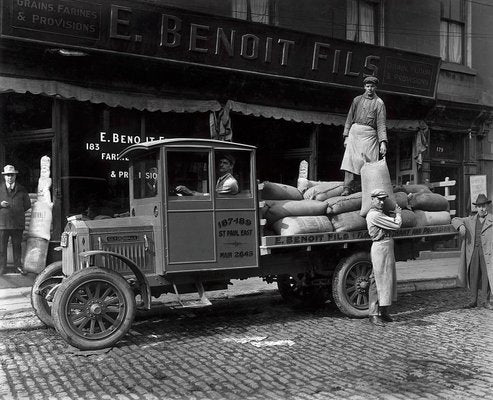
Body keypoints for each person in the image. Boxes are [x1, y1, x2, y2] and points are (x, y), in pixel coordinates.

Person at [341, 76, 388, 196]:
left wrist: (382, 142)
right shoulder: (357, 100)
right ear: (364, 87)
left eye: (372, 86)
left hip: (370, 136)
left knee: (370, 164)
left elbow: (381, 124)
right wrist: (346, 136)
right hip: (355, 133)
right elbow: (349, 118)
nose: (370, 89)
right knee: (349, 161)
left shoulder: (379, 103)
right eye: (367, 86)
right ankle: (347, 187)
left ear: (375, 87)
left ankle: (368, 189)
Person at [365, 189, 402, 326]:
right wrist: (398, 214)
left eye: (383, 200)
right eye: (378, 199)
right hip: (380, 247)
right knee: (376, 280)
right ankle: (373, 314)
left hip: (387, 246)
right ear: (372, 199)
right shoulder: (374, 215)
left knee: (388, 279)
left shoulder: (380, 213)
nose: (381, 202)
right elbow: (396, 225)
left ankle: (384, 312)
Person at [451, 194, 493, 309]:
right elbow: (455, 219)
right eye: (479, 206)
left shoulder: (491, 220)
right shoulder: (470, 220)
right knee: (473, 275)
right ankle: (473, 300)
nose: (482, 209)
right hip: (474, 252)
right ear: (476, 207)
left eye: (484, 206)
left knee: (486, 276)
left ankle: (485, 301)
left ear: (487, 206)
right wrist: (461, 227)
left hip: (487, 253)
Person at [0, 165, 31, 275]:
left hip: (17, 223)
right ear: (4, 177)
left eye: (11, 175)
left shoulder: (22, 189)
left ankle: (18, 266)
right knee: (2, 247)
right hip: (3, 224)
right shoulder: (0, 189)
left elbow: (27, 205)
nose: (9, 177)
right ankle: (2, 267)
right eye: (7, 175)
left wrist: (17, 210)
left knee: (17, 246)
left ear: (15, 176)